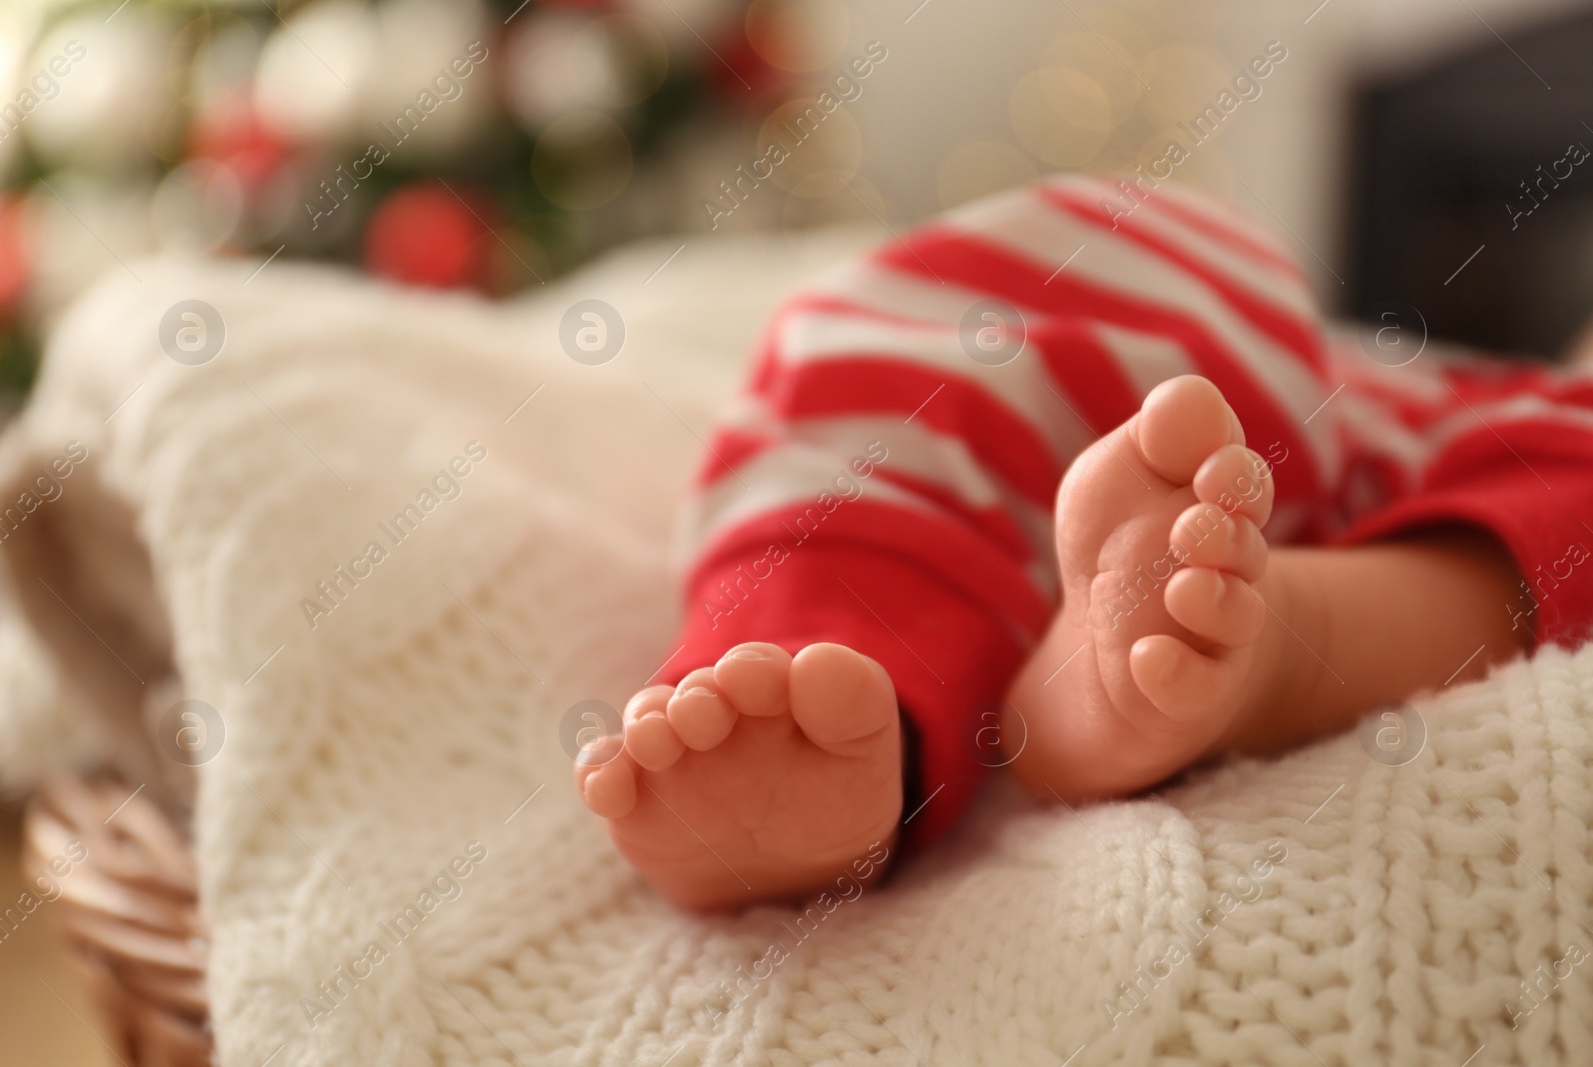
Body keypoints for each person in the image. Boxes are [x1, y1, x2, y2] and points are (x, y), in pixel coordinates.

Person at [573, 174, 1591, 910]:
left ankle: (1222, 650)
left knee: (889, 411)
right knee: (904, 397)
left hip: (1187, 401)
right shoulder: (1491, 402)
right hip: (1222, 392)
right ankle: (821, 663)